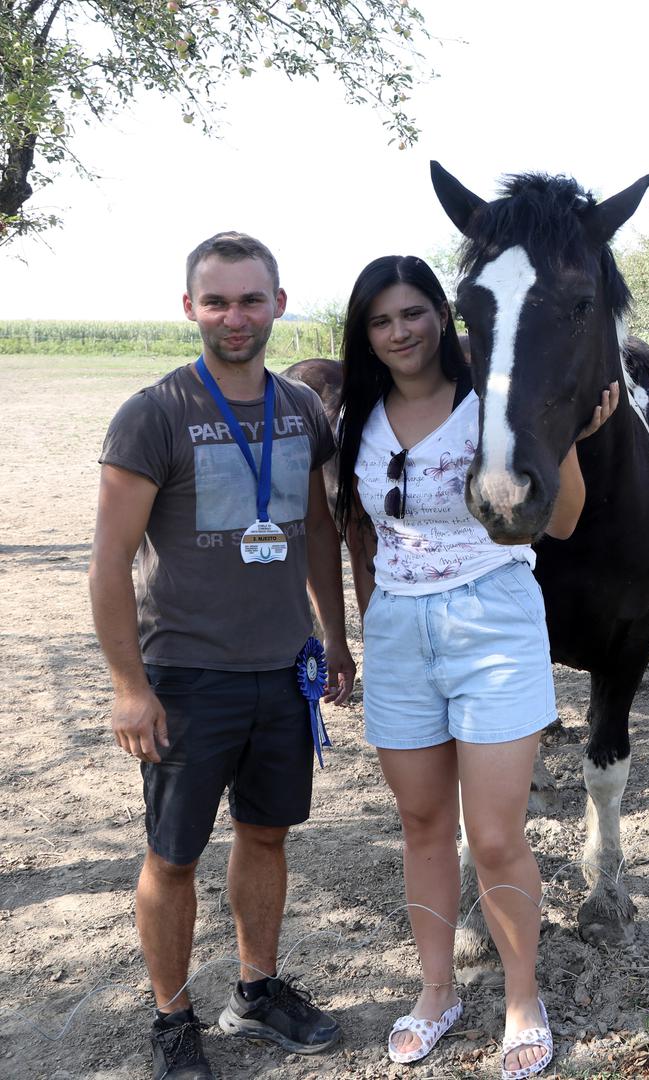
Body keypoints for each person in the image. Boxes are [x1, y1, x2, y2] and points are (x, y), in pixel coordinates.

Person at [334, 255, 616, 1077]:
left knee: (493, 837)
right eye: (382, 320)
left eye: (414, 313)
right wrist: (349, 629)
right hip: (397, 634)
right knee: (422, 828)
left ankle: (522, 996)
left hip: (491, 623)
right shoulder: (358, 414)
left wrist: (567, 440)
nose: (399, 333)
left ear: (446, 317)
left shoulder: (491, 404)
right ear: (365, 332)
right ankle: (435, 990)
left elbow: (561, 524)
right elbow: (349, 529)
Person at [89, 232, 356, 1079]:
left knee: (266, 835)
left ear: (279, 304)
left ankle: (257, 989)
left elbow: (318, 530)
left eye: (250, 299)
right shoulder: (154, 412)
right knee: (172, 856)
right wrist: (131, 688)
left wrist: (336, 640)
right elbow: (107, 563)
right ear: (190, 308)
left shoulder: (301, 408)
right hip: (186, 677)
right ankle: (173, 1021)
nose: (233, 317)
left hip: (283, 673)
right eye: (217, 301)